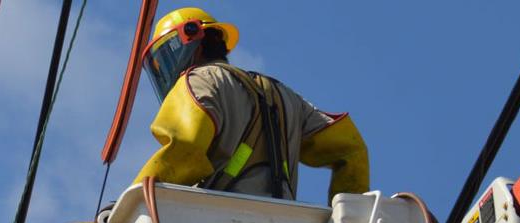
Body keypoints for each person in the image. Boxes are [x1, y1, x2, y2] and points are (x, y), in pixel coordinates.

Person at [133, 7, 370, 202]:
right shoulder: (284, 95)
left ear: (194, 40)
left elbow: (184, 147)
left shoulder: (199, 80)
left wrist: (129, 203)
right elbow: (351, 150)